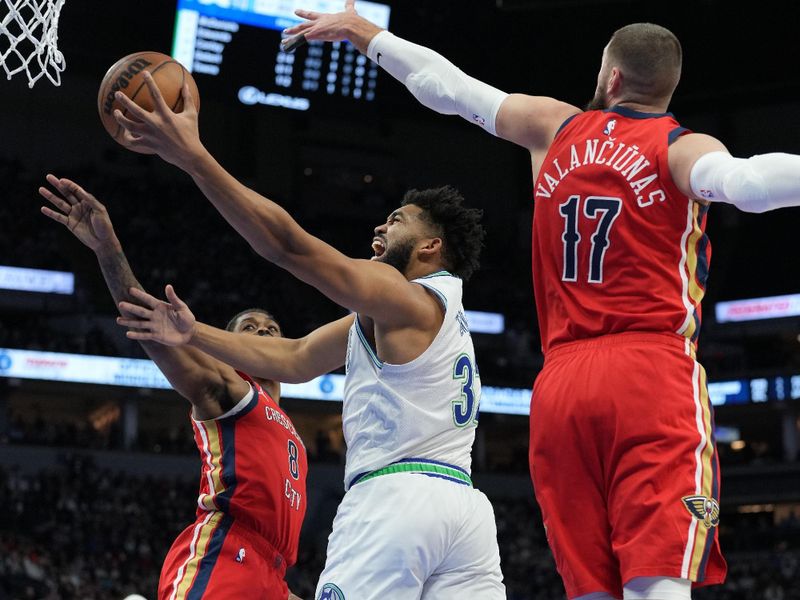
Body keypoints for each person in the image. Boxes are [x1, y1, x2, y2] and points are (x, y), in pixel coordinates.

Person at [281, 4, 800, 599]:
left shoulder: (554, 128)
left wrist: (365, 33)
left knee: (591, 590)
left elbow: (448, 89)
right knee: (657, 584)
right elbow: (749, 185)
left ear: (610, 77)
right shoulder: (679, 147)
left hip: (560, 385)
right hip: (649, 371)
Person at [109, 73, 505, 599]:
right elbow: (294, 359)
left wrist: (193, 157)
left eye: (397, 220)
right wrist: (191, 331)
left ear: (430, 247)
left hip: (395, 499)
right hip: (466, 512)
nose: (379, 231)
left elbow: (286, 246)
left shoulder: (402, 294)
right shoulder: (436, 314)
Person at [38, 175, 307, 600]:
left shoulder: (290, 429)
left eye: (271, 329)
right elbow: (146, 324)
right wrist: (108, 249)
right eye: (249, 329)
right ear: (231, 347)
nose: (263, 333)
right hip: (225, 551)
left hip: (271, 573)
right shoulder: (230, 391)